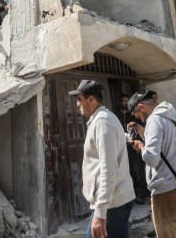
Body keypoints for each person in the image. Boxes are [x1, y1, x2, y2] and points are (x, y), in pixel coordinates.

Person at [69, 80, 134, 238]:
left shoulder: (103, 123)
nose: (77, 104)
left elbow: (108, 169)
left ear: (91, 100)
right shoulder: (102, 120)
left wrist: (100, 213)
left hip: (113, 204)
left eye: (80, 99)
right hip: (112, 202)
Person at [128, 90, 176, 238]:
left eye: (138, 115)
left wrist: (141, 147)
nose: (139, 118)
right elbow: (164, 145)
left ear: (142, 107)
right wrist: (141, 131)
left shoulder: (154, 120)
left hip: (165, 192)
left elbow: (152, 158)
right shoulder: (170, 117)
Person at [115, 93, 150, 203]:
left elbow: (141, 129)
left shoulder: (133, 116)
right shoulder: (116, 116)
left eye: (127, 101)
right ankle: (134, 196)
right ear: (120, 102)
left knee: (140, 170)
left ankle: (145, 194)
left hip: (136, 146)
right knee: (131, 172)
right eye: (123, 101)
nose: (125, 103)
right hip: (123, 148)